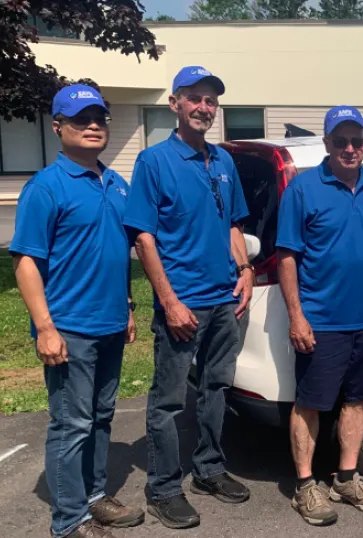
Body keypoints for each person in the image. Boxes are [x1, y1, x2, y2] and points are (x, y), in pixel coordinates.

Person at [123, 66, 254, 528]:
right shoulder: (154, 162)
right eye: (194, 98)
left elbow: (234, 223)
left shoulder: (223, 162)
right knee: (169, 400)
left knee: (216, 389)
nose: (203, 107)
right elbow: (143, 238)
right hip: (183, 304)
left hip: (225, 301)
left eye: (210, 100)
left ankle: (209, 468)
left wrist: (246, 270)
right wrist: (170, 302)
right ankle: (163, 488)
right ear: (175, 103)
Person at [10, 85, 143, 538]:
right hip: (69, 327)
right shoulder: (45, 187)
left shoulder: (117, 184)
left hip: (110, 324)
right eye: (81, 118)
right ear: (57, 126)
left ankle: (93, 496)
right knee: (72, 424)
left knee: (101, 417)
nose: (93, 126)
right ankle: (68, 521)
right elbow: (26, 262)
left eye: (99, 118)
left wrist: (127, 305)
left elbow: (119, 253)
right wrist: (45, 327)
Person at [275, 106, 363, 525]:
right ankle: (306, 485)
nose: (349, 148)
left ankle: (345, 477)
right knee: (309, 404)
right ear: (326, 143)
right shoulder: (303, 189)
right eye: (340, 141)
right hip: (321, 320)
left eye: (356, 141)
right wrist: (297, 316)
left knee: (357, 401)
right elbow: (287, 256)